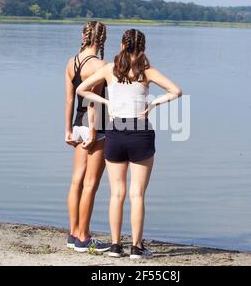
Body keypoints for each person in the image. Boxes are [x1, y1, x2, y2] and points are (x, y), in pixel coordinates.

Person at [76, 29, 182, 259]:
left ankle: (115, 246)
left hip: (115, 132)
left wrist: (106, 101)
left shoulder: (108, 70)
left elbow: (81, 89)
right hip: (140, 132)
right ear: (143, 48)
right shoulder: (147, 72)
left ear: (122, 45)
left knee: (117, 194)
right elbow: (176, 91)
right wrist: (153, 104)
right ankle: (136, 247)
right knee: (137, 194)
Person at [64, 21, 110, 253]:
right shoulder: (100, 65)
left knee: (76, 181)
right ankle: (84, 237)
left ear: (84, 35)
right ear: (102, 40)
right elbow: (93, 102)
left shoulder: (72, 62)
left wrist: (67, 130)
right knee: (90, 184)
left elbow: (70, 100)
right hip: (95, 128)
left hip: (76, 125)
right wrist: (94, 133)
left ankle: (73, 233)